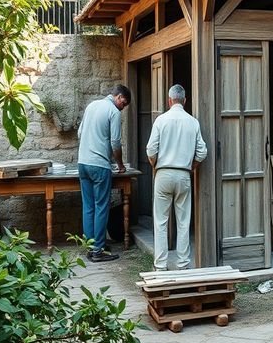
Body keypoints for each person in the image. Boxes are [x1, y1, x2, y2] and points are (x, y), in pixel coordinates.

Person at [146, 84, 207, 271]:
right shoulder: (193, 122)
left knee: (161, 222)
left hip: (163, 173)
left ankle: (160, 265)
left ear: (169, 100)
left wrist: (155, 165)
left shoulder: (161, 120)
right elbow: (202, 152)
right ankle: (183, 264)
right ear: (185, 100)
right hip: (183, 174)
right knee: (183, 222)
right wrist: (191, 166)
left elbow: (151, 149)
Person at [77, 84, 131, 262]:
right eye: (124, 103)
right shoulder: (113, 112)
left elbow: (80, 133)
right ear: (119, 97)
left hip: (83, 163)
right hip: (99, 165)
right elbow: (116, 142)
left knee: (88, 206)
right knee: (101, 206)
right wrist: (120, 165)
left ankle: (90, 246)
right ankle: (98, 250)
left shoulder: (92, 105)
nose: (123, 108)